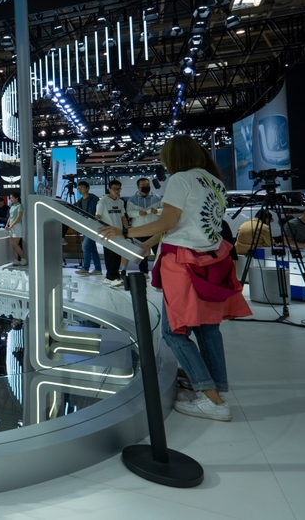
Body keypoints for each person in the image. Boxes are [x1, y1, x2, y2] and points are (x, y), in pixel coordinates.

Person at [99, 135, 250, 422]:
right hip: (211, 260)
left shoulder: (181, 179)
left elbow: (168, 222)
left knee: (174, 331)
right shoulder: (214, 181)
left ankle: (213, 401)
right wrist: (146, 244)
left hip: (183, 263)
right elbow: (182, 224)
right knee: (207, 329)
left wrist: (125, 232)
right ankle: (215, 387)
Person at [125, 177, 162, 275]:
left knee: (158, 253)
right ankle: (144, 272)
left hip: (154, 230)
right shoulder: (132, 199)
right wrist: (138, 213)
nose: (146, 187)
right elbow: (129, 213)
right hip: (139, 231)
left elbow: (164, 210)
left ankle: (159, 272)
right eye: (143, 185)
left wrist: (158, 211)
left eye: (147, 185)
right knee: (141, 254)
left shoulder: (158, 197)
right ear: (138, 187)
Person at [96, 181, 128, 288]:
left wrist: (127, 228)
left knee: (117, 255)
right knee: (110, 255)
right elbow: (98, 216)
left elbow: (123, 216)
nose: (117, 191)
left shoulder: (120, 202)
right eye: (114, 189)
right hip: (108, 232)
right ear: (109, 189)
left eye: (119, 189)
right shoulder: (103, 201)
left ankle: (110, 277)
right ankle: (113, 278)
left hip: (118, 232)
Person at [74, 181, 102, 276]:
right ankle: (98, 269)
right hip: (85, 226)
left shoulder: (95, 199)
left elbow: (99, 212)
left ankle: (85, 268)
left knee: (85, 246)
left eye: (82, 187)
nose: (80, 189)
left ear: (87, 188)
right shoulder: (80, 201)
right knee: (92, 248)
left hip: (93, 226)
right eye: (78, 188)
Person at [4, 192, 26, 265]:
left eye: (12, 198)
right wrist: (7, 224)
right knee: (14, 245)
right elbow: (10, 217)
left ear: (17, 198)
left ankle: (23, 258)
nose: (11, 199)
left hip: (17, 226)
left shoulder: (20, 206)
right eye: (10, 198)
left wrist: (11, 225)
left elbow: (19, 217)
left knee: (15, 244)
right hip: (11, 226)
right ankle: (16, 259)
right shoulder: (12, 206)